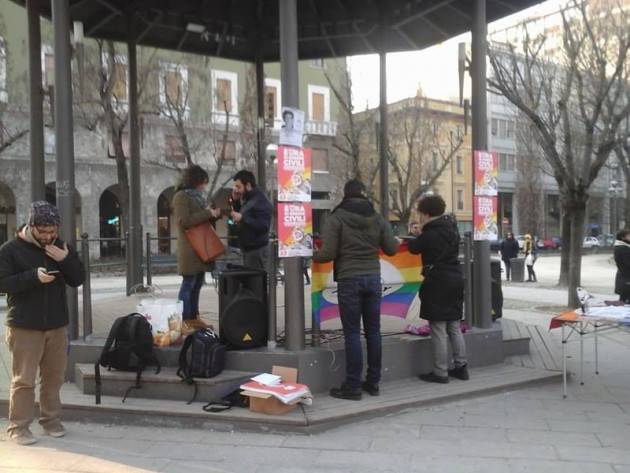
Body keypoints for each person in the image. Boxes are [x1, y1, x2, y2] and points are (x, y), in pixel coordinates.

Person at [0, 201, 85, 445]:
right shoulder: (10, 250)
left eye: (53, 231)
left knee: (54, 377)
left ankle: (51, 421)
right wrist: (32, 277)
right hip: (25, 325)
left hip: (57, 324)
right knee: (24, 380)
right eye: (43, 231)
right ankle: (18, 427)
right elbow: (2, 282)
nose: (49, 236)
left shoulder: (61, 246)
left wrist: (66, 259)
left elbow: (78, 279)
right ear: (31, 225)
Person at [313, 179, 398, 400]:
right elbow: (391, 249)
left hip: (350, 279)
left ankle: (352, 386)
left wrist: (309, 252)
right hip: (372, 279)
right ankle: (373, 382)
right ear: (364, 195)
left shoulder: (337, 217)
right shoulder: (377, 218)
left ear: (346, 194)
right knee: (373, 331)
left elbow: (328, 253)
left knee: (352, 333)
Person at [408, 195, 469, 384]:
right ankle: (461, 368)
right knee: (454, 326)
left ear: (426, 214)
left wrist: (414, 234)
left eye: (421, 215)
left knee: (438, 328)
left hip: (438, 281)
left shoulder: (430, 233)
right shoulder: (452, 229)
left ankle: (441, 372)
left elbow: (415, 248)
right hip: (455, 278)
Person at [172, 165, 221, 327]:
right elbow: (184, 221)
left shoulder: (198, 197)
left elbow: (200, 219)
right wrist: (207, 213)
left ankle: (194, 318)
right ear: (194, 181)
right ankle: (185, 320)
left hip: (201, 247)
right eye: (202, 183)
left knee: (197, 284)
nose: (204, 186)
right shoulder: (181, 197)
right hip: (190, 248)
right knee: (189, 284)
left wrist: (212, 214)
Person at [230, 170, 273, 271]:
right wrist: (235, 202)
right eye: (235, 186)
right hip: (248, 250)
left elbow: (263, 226)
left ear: (248, 185)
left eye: (239, 187)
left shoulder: (260, 201)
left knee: (256, 284)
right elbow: (240, 216)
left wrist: (243, 219)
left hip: (257, 251)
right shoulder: (249, 200)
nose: (236, 190)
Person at [613, 229, 630, 303]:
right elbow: (627, 264)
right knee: (625, 303)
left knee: (623, 301)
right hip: (626, 279)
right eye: (629, 236)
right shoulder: (623, 248)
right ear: (623, 238)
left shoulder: (623, 247)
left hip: (624, 278)